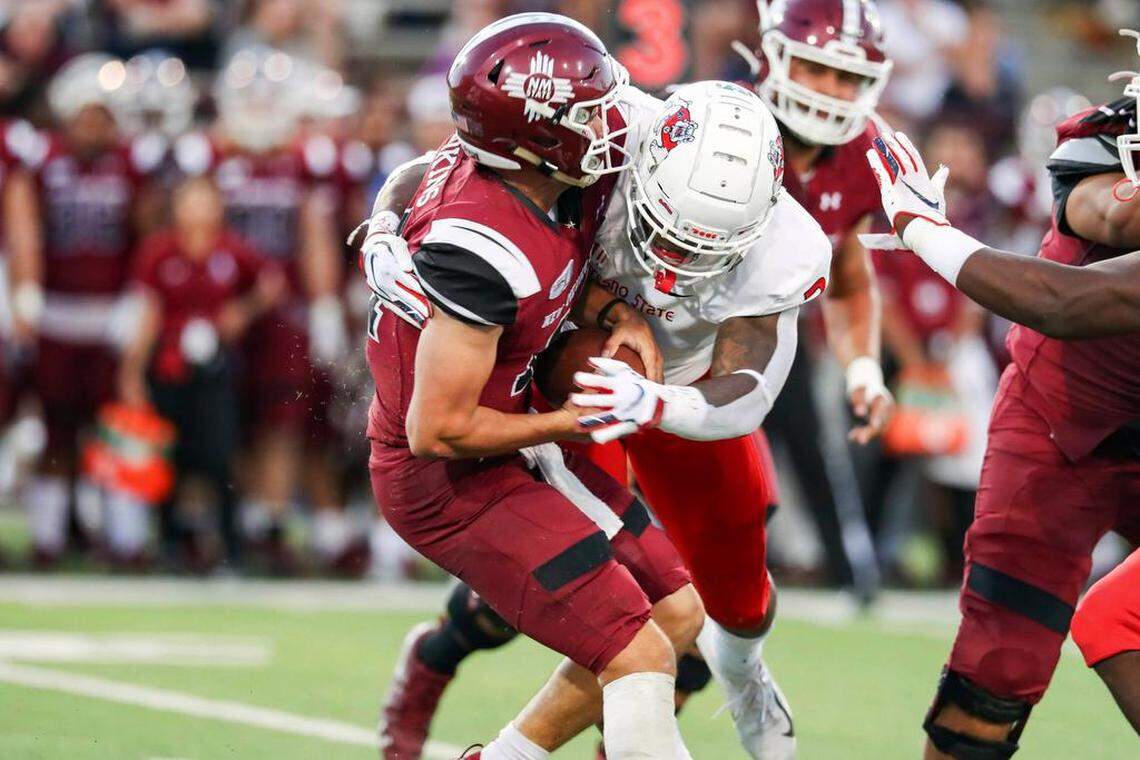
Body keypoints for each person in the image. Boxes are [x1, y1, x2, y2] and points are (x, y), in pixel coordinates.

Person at [370, 79, 829, 759]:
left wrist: (640, 371)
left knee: (696, 610)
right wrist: (383, 224)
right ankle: (438, 659)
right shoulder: (593, 142)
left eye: (699, 247)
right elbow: (445, 166)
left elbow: (747, 396)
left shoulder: (785, 247)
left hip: (677, 397)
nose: (670, 267)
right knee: (595, 619)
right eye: (665, 230)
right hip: (540, 396)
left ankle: (739, 680)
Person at [367, 14, 702, 760]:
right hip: (448, 477)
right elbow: (438, 430)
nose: (610, 120)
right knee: (639, 653)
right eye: (588, 111)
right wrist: (566, 424)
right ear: (532, 134)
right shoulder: (477, 246)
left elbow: (416, 172)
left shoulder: (519, 169)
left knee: (678, 618)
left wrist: (613, 313)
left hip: (509, 437)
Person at [861, 63, 1140, 756]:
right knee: (997, 670)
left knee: (1115, 622)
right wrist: (926, 231)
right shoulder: (1101, 158)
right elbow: (1077, 283)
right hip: (1062, 429)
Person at [735, 0, 895, 597]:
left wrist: (862, 366)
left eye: (849, 76)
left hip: (771, 334)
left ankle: (853, 574)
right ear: (776, 57)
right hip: (664, 336)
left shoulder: (862, 152)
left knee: (805, 450)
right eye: (817, 69)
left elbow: (849, 275)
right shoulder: (720, 125)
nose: (832, 90)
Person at [174, 46, 347, 573]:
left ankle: (266, 521)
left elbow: (316, 234)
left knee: (280, 418)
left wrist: (322, 306)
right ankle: (214, 521)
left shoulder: (305, 159)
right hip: (217, 311)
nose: (257, 107)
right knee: (217, 419)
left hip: (282, 312)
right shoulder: (206, 154)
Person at [5, 54, 153, 568]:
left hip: (110, 313)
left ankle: (123, 536)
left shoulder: (131, 163)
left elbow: (146, 231)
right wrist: (26, 293)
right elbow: (23, 223)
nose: (93, 125)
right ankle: (48, 533)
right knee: (57, 427)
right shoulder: (42, 159)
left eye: (103, 115)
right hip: (58, 313)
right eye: (86, 114)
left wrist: (138, 294)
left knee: (118, 427)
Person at [118, 176, 284, 571]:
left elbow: (272, 281)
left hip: (215, 368)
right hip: (169, 365)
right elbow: (148, 314)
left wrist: (241, 311)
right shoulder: (159, 251)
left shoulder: (231, 250)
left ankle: (229, 547)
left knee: (220, 456)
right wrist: (131, 371)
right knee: (168, 457)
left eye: (205, 201)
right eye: (190, 201)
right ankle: (170, 545)